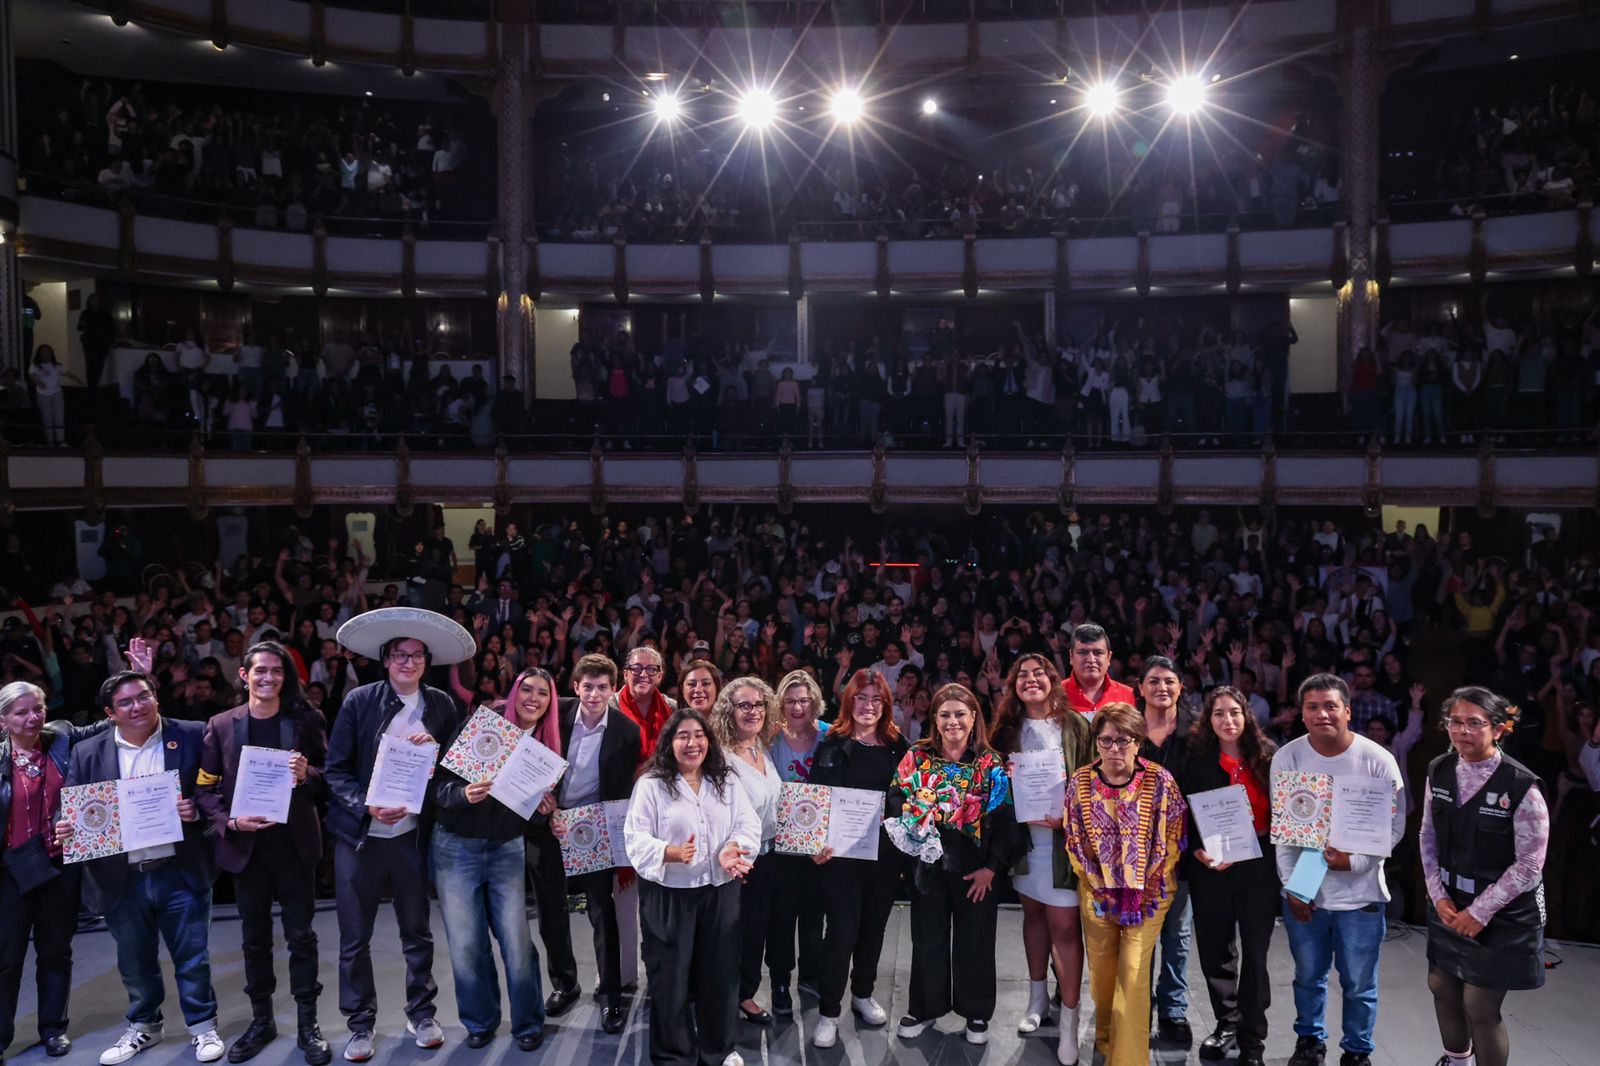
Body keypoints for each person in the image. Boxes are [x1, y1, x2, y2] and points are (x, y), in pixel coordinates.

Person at [324, 608, 474, 1061]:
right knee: (354, 939)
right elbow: (335, 771)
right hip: (361, 838)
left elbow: (455, 773)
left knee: (417, 931)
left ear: (427, 662)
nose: (408, 662)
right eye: (399, 655)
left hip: (413, 837)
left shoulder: (443, 706)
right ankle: (360, 1024)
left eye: (416, 656)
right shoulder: (359, 702)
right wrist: (364, 807)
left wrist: (437, 754)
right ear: (385, 660)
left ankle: (421, 1012)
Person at [60, 670, 224, 1066]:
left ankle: (203, 1026)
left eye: (143, 696)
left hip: (179, 868)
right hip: (121, 877)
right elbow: (77, 806)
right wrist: (65, 825)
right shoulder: (88, 752)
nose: (137, 706)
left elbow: (216, 789)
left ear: (156, 697)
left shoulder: (191, 733)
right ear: (109, 713)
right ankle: (144, 1027)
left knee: (192, 955)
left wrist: (196, 809)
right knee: (134, 961)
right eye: (126, 702)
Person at [196, 642, 331, 1065]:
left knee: (301, 937)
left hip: (294, 846)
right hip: (246, 847)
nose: (268, 678)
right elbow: (205, 789)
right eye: (260, 671)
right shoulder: (221, 725)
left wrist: (306, 772)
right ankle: (262, 1020)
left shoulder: (308, 720)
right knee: (254, 940)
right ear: (244, 675)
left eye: (277, 671)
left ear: (285, 677)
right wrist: (230, 823)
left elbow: (329, 778)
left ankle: (308, 1023)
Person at [1272, 674, 1405, 1066]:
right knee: (1308, 977)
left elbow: (1393, 826)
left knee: (1359, 984)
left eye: (1330, 705)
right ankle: (1310, 1042)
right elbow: (1283, 831)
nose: (1322, 713)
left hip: (1361, 893)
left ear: (1348, 710)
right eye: (1312, 707)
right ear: (1302, 713)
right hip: (1306, 892)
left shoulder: (1379, 760)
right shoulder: (1288, 757)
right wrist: (1292, 887)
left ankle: (1357, 1052)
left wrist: (1355, 862)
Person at [623, 707, 760, 1066]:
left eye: (699, 735)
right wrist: (667, 851)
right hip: (668, 895)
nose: (692, 742)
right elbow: (634, 838)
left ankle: (718, 1049)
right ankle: (673, 1055)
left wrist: (734, 848)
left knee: (720, 972)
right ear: (668, 743)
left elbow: (747, 823)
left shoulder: (725, 780)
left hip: (720, 889)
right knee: (671, 978)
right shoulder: (651, 784)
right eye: (683, 735)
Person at [887, 683, 1022, 1046]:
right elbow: (896, 798)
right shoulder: (917, 756)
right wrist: (914, 819)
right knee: (927, 940)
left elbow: (1007, 819)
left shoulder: (990, 762)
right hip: (928, 869)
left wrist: (992, 867)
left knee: (976, 941)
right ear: (934, 719)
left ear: (974, 717)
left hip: (975, 870)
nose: (952, 721)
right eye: (944, 714)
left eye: (960, 714)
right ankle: (923, 1007)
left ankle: (976, 1012)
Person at [1422, 687, 1548, 1066]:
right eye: (1455, 722)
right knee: (1442, 985)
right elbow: (1427, 835)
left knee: (1479, 1004)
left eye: (1474, 723)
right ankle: (1456, 1061)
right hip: (1449, 903)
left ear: (1498, 729)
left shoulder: (1520, 785)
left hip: (1503, 913)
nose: (1462, 730)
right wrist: (1438, 895)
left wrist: (1480, 911)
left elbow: (1529, 864)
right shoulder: (1438, 769)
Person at [429, 669, 552, 1052]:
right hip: (456, 845)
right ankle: (480, 1021)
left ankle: (528, 1022)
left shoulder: (546, 748)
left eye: (543, 693)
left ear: (550, 702)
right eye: (526, 689)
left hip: (506, 847)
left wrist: (544, 811)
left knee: (516, 940)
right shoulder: (485, 725)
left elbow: (528, 814)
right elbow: (438, 787)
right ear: (514, 692)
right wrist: (462, 794)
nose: (533, 698)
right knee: (467, 942)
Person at [1064, 702, 1186, 1066]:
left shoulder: (1160, 780)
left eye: (1124, 740)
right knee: (1102, 977)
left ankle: (1127, 1059)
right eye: (1107, 740)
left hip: (1150, 896)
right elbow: (1074, 839)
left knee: (1132, 975)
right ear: (1096, 743)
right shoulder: (1080, 782)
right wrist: (1100, 886)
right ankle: (1104, 1041)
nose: (1115, 749)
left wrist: (1145, 889)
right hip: (1098, 895)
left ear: (1139, 742)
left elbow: (1173, 837)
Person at [0, 679, 113, 1065]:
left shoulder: (61, 736)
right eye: (21, 712)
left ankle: (53, 1029)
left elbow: (111, 723)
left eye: (38, 708)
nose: (33, 718)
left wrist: (139, 676)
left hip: (58, 864)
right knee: (7, 957)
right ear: (3, 721)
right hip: (10, 870)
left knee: (55, 951)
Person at [528, 654, 641, 1035]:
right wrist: (545, 805)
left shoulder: (627, 730)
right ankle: (565, 983)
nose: (594, 694)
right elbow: (529, 764)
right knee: (551, 911)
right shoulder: (553, 714)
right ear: (575, 687)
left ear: (613, 690)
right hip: (547, 824)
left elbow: (622, 789)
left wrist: (591, 822)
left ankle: (611, 996)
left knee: (601, 912)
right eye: (587, 686)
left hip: (593, 827)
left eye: (603, 687)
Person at [989, 653, 1092, 1063]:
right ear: (1013, 686)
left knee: (1065, 926)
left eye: (1039, 673)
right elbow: (992, 786)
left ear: (1054, 680)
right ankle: (1037, 1002)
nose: (1031, 680)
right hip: (1024, 844)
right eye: (1022, 675)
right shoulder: (1005, 731)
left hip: (1063, 845)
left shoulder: (1077, 726)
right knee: (1032, 916)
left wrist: (1070, 815)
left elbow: (1092, 783)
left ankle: (1069, 1019)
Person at [1174, 687, 1278, 1066]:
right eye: (1218, 713)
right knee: (1216, 948)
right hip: (1211, 868)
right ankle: (1226, 1022)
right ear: (1208, 719)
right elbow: (1180, 817)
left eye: (1234, 712)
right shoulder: (1196, 761)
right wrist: (1197, 852)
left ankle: (1253, 1040)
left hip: (1258, 867)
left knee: (1255, 952)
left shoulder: (1267, 757)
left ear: (1246, 715)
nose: (1227, 720)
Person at [807, 669, 910, 1049]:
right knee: (841, 932)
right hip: (839, 858)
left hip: (884, 856)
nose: (868, 706)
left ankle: (863, 993)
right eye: (861, 698)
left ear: (886, 705)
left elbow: (908, 798)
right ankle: (829, 1012)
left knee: (873, 929)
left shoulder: (901, 747)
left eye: (876, 699)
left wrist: (895, 813)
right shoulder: (832, 744)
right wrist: (815, 842)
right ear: (849, 701)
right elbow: (816, 799)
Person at [710, 678, 782, 1026]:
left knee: (756, 931)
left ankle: (745, 995)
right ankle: (720, 1001)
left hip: (766, 858)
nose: (752, 711)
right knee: (729, 934)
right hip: (735, 862)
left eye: (758, 704)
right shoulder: (719, 756)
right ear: (729, 710)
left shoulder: (760, 748)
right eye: (744, 705)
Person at [1137, 656, 1194, 1046]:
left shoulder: (1196, 734)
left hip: (1182, 853)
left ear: (1180, 688)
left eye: (1169, 681)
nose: (1162, 688)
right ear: (1140, 688)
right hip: (1129, 854)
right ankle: (1138, 1008)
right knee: (1138, 935)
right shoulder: (1125, 730)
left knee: (1177, 932)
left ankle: (1173, 1010)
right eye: (1154, 681)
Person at [766, 670, 829, 1015]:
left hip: (818, 847)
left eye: (804, 700)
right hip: (780, 846)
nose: (797, 706)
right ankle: (779, 981)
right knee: (781, 917)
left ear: (814, 702)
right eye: (790, 701)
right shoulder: (771, 738)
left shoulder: (830, 735)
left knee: (813, 915)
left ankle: (811, 976)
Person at [1064, 624, 1136, 717]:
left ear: (1109, 657)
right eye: (1083, 652)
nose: (1091, 660)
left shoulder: (1129, 696)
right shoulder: (1054, 695)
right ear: (1071, 656)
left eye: (1098, 653)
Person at [30, 346, 82, 449]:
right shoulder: (35, 365)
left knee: (59, 417)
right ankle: (50, 442)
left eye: (48, 352)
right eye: (43, 352)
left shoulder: (57, 366)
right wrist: (38, 382)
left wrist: (79, 381)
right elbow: (32, 375)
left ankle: (61, 441)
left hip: (56, 394)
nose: (46, 354)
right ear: (39, 354)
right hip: (43, 395)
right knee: (47, 418)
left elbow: (68, 374)